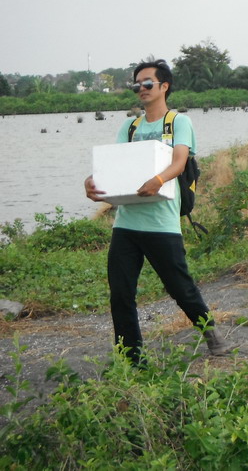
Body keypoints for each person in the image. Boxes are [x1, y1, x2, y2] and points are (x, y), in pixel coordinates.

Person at [84, 59, 229, 365]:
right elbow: (115, 165)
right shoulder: (130, 126)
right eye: (137, 84)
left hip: (162, 223)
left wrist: (159, 180)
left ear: (164, 86)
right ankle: (131, 358)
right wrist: (93, 183)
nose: (141, 89)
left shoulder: (178, 122)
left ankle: (211, 334)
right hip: (126, 224)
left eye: (147, 83)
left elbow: (179, 162)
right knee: (121, 294)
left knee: (180, 288)